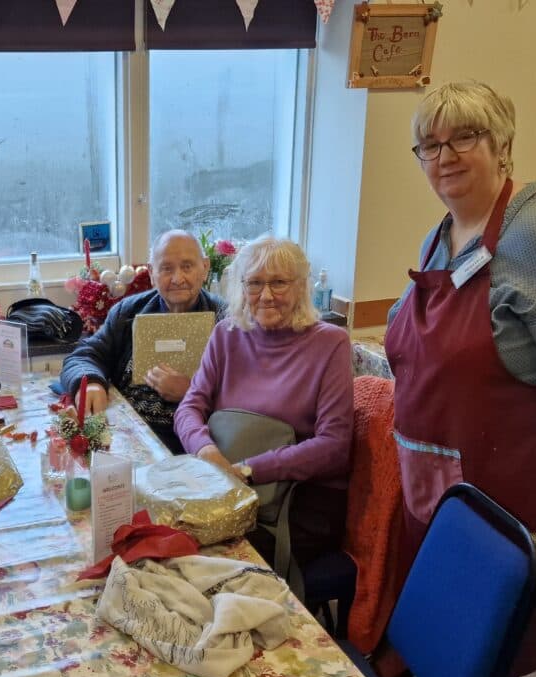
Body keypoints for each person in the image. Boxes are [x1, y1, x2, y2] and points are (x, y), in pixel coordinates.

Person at [386, 80, 536, 677]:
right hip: (436, 488)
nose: (445, 156)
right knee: (435, 647)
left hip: (501, 497)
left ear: (504, 145)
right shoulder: (445, 234)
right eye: (429, 145)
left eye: (465, 137)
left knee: (481, 665)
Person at [174, 235, 353, 570]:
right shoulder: (227, 334)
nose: (266, 295)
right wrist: (206, 451)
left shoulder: (331, 343)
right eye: (255, 283)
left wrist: (248, 470)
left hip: (299, 499)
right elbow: (189, 408)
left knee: (208, 559)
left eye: (279, 283)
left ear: (302, 286)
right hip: (228, 484)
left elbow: (334, 446)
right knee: (163, 536)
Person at [59, 229, 225, 454]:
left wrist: (192, 391)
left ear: (205, 268)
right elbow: (83, 355)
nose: (178, 279)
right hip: (125, 435)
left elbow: (248, 395)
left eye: (187, 266)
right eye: (166, 268)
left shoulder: (226, 319)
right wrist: (90, 382)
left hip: (191, 443)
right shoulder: (128, 311)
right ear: (151, 272)